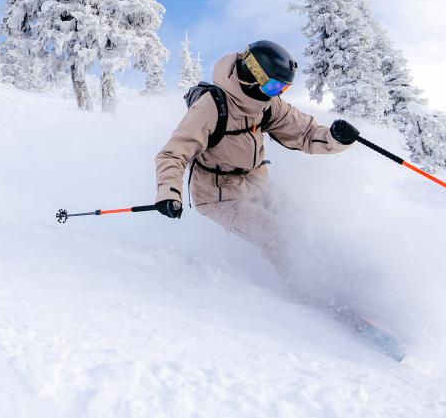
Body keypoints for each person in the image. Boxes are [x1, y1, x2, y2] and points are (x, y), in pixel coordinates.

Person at [153, 39, 360, 273]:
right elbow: (173, 153)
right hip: (218, 196)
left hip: (256, 184)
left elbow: (305, 132)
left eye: (283, 89)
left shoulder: (268, 104)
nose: (277, 94)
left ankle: (336, 270)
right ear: (251, 76)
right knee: (274, 234)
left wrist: (335, 138)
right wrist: (169, 192)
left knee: (300, 219)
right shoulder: (211, 107)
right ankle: (308, 287)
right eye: (273, 87)